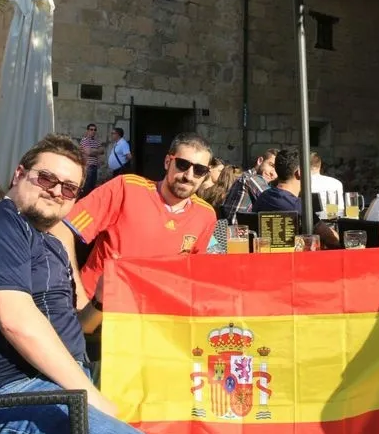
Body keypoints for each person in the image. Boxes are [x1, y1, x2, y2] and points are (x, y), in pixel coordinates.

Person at [0, 134, 157, 434]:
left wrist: (100, 300)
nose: (56, 191)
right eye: (47, 178)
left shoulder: (50, 244)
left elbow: (78, 327)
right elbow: (17, 322)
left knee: (175, 402)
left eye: (69, 188)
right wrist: (94, 398)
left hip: (59, 384)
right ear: (19, 174)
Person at [64, 133, 218, 310]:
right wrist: (78, 294)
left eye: (199, 170)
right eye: (182, 165)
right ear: (168, 162)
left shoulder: (205, 215)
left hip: (154, 316)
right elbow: (63, 229)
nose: (189, 176)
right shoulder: (126, 188)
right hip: (99, 309)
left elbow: (192, 274)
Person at [220, 148, 278, 222]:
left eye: (277, 170)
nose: (273, 173)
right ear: (260, 161)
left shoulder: (246, 177)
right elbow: (276, 204)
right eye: (271, 165)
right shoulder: (251, 179)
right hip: (237, 231)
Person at [79, 123, 103, 196]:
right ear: (87, 131)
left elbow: (102, 150)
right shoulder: (84, 140)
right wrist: (97, 151)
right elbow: (88, 152)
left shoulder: (96, 141)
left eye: (95, 130)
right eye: (91, 129)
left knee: (92, 186)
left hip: (94, 166)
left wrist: (93, 151)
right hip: (88, 166)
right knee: (86, 186)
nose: (93, 131)